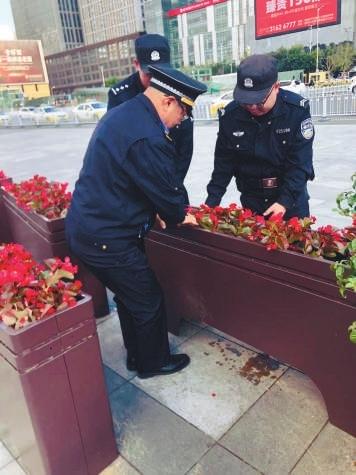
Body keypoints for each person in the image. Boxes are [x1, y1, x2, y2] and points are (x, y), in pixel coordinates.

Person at [65, 64, 207, 379]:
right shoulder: (148, 135)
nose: (182, 120)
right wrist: (180, 215)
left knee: (130, 297)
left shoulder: (126, 113)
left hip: (91, 227)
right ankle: (153, 362)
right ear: (169, 101)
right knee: (147, 299)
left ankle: (137, 355)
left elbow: (132, 178)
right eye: (183, 112)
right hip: (107, 238)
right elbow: (166, 194)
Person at [205, 54, 315, 220]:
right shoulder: (231, 116)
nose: (253, 107)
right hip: (252, 200)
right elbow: (223, 165)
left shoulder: (295, 112)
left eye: (259, 101)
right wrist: (211, 203)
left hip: (290, 201)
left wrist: (284, 202)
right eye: (246, 101)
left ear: (276, 87)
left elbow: (300, 164)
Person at [108, 34, 194, 190]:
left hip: (169, 178)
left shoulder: (180, 92)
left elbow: (184, 148)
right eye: (150, 74)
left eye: (161, 73)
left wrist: (172, 187)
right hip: (132, 185)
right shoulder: (120, 96)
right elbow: (115, 149)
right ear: (137, 64)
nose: (156, 80)